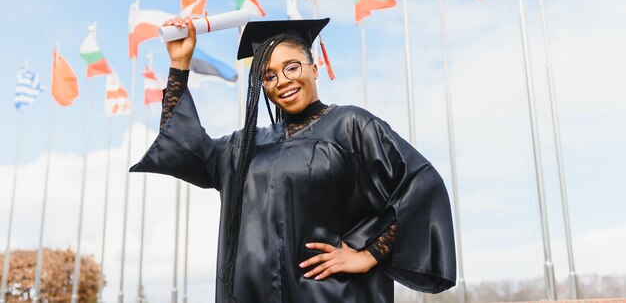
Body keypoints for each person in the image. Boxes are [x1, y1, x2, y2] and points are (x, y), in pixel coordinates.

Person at [131, 17, 456, 303]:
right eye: (269, 76)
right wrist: (180, 63)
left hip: (333, 295)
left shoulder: (351, 125)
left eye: (292, 67)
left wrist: (369, 254)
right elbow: (182, 147)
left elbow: (419, 186)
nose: (283, 81)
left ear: (314, 69)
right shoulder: (241, 146)